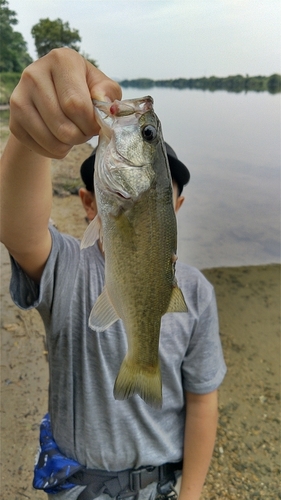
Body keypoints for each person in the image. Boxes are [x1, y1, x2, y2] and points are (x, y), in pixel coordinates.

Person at [0, 48, 227, 500]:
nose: (137, 128)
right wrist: (27, 138)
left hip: (160, 487)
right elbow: (16, 228)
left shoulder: (196, 292)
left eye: (143, 135)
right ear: (91, 203)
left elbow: (203, 401)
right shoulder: (65, 265)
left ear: (173, 206)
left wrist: (191, 493)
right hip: (78, 486)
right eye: (147, 135)